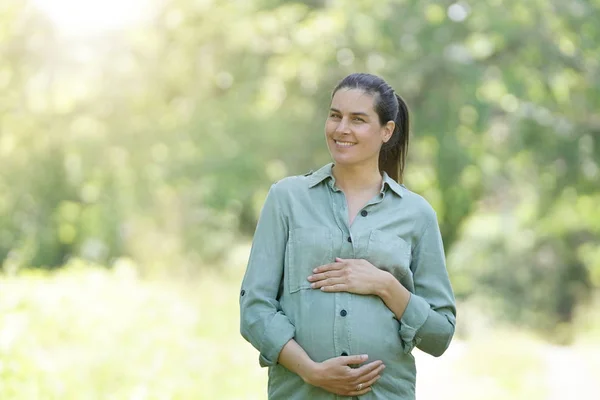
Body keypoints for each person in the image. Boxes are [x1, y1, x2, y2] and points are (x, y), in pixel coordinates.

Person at [239, 72, 456, 399]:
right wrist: (311, 371)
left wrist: (384, 285)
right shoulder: (287, 198)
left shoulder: (417, 214)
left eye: (358, 119)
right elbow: (255, 309)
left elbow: (440, 335)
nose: (341, 129)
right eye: (335, 116)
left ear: (387, 131)